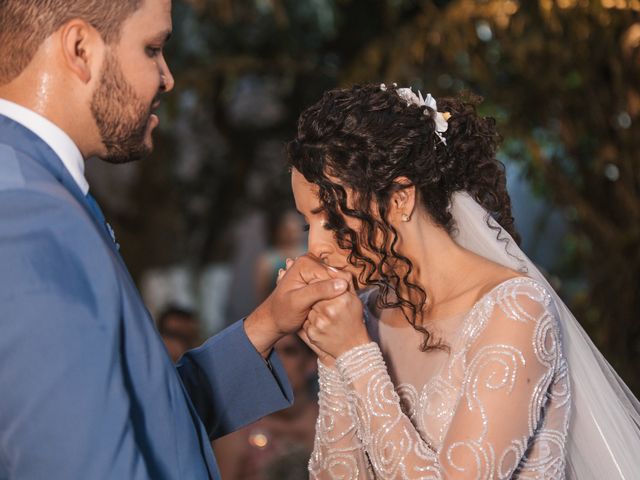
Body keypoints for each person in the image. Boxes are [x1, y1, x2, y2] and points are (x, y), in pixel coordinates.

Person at [0, 1, 349, 478]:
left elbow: (146, 418)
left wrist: (267, 322)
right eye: (153, 49)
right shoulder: (25, 213)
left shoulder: (41, 189)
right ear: (80, 48)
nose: (167, 78)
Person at [285, 83, 640, 478]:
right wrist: (333, 356)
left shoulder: (514, 309)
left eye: (331, 218)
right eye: (308, 222)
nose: (314, 245)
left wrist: (354, 355)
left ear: (400, 198)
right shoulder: (364, 317)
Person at [213, 334, 318, 479]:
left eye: (289, 351)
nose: (277, 362)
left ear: (311, 362)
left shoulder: (335, 423)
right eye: (269, 352)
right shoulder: (237, 429)